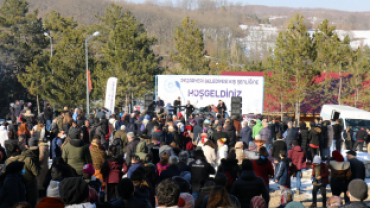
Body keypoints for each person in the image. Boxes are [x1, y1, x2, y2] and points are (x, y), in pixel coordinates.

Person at [6, 140, 40, 208]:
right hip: (30, 188)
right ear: (18, 149)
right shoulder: (28, 159)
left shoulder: (8, 162)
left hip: (17, 193)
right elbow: (36, 173)